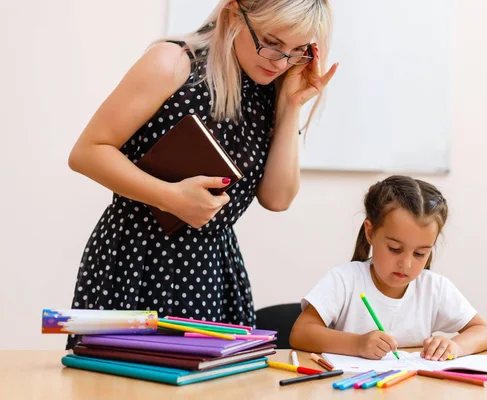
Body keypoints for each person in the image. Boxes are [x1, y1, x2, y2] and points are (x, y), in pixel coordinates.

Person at [66, 0, 337, 349]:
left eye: (297, 51)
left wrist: (289, 107)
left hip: (211, 270)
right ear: (233, 15)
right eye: (271, 43)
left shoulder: (274, 85)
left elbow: (277, 198)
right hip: (134, 260)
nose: (281, 62)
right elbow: (87, 152)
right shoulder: (172, 62)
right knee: (114, 384)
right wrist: (171, 197)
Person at [289, 176, 487, 360]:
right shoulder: (344, 280)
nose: (406, 264)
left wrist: (454, 346)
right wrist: (358, 344)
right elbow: (300, 333)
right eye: (395, 249)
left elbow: (483, 331)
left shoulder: (434, 288)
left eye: (420, 254)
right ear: (370, 232)